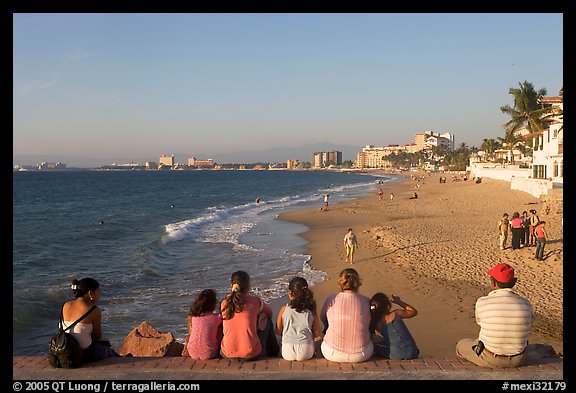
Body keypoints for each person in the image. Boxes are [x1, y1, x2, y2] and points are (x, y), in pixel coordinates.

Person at [456, 263, 534, 368]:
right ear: (513, 283)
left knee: (461, 345)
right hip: (518, 359)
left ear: (493, 283)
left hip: (491, 358)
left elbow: (480, 322)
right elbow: (530, 323)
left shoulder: (482, 302)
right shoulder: (526, 303)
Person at [220, 271, 279, 361]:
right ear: (248, 286)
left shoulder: (224, 303)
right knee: (266, 319)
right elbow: (269, 313)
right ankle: (274, 352)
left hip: (227, 354)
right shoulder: (255, 301)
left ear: (231, 285)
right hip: (251, 354)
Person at [320, 268, 373, 363]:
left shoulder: (331, 299)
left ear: (341, 282)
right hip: (361, 355)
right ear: (357, 283)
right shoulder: (366, 301)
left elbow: (323, 317)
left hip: (332, 353)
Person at [62, 278, 121, 362]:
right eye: (98, 291)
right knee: (108, 350)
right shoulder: (94, 310)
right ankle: (125, 360)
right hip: (84, 352)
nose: (99, 294)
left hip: (66, 349)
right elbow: (98, 336)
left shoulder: (66, 305)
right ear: (90, 293)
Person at [276, 277, 321, 361]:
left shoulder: (284, 309)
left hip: (287, 352)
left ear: (290, 293)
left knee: (279, 339)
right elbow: (317, 333)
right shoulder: (311, 310)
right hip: (306, 351)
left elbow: (278, 331)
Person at [369, 293, 419, 360]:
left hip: (396, 354)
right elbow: (413, 312)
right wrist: (399, 302)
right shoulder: (396, 313)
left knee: (375, 345)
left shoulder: (377, 324)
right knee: (386, 340)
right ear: (388, 306)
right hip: (413, 352)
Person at [185, 289, 223, 360]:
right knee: (220, 328)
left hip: (192, 351)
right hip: (209, 353)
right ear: (213, 304)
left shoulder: (193, 317)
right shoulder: (216, 317)